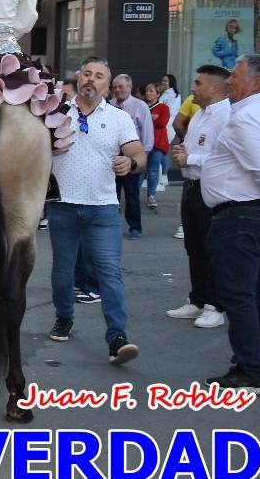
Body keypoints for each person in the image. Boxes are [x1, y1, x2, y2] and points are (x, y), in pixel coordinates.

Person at [47, 57, 145, 364]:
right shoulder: (55, 113)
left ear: (108, 85)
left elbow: (139, 154)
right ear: (78, 78)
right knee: (63, 270)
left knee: (109, 273)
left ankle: (117, 337)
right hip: (62, 206)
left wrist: (129, 163)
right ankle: (64, 316)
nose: (91, 79)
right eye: (87, 73)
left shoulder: (119, 118)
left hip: (102, 209)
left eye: (99, 76)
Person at [199, 54, 260, 394]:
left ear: (256, 81)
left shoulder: (245, 117)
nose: (229, 80)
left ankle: (251, 371)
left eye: (235, 75)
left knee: (239, 295)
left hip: (241, 216)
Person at [167, 64, 231, 329]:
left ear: (215, 87)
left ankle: (216, 305)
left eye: (198, 83)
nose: (193, 88)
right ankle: (198, 299)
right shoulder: (200, 114)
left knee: (212, 249)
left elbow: (227, 158)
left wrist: (190, 157)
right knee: (194, 247)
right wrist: (184, 151)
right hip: (190, 188)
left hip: (212, 191)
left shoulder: (227, 116)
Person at [110, 73, 153, 238]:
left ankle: (135, 227)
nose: (118, 90)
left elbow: (147, 134)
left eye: (121, 87)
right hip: (113, 155)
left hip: (132, 155)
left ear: (129, 87)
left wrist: (143, 157)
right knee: (112, 194)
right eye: (115, 87)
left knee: (131, 194)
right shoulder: (110, 104)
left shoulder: (140, 106)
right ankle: (111, 226)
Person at [143, 82, 170, 209]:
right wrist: (151, 118)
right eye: (147, 91)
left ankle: (151, 196)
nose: (148, 93)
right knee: (140, 170)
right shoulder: (141, 106)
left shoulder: (163, 107)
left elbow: (162, 122)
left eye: (151, 91)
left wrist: (148, 120)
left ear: (158, 94)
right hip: (142, 142)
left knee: (153, 170)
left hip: (157, 143)